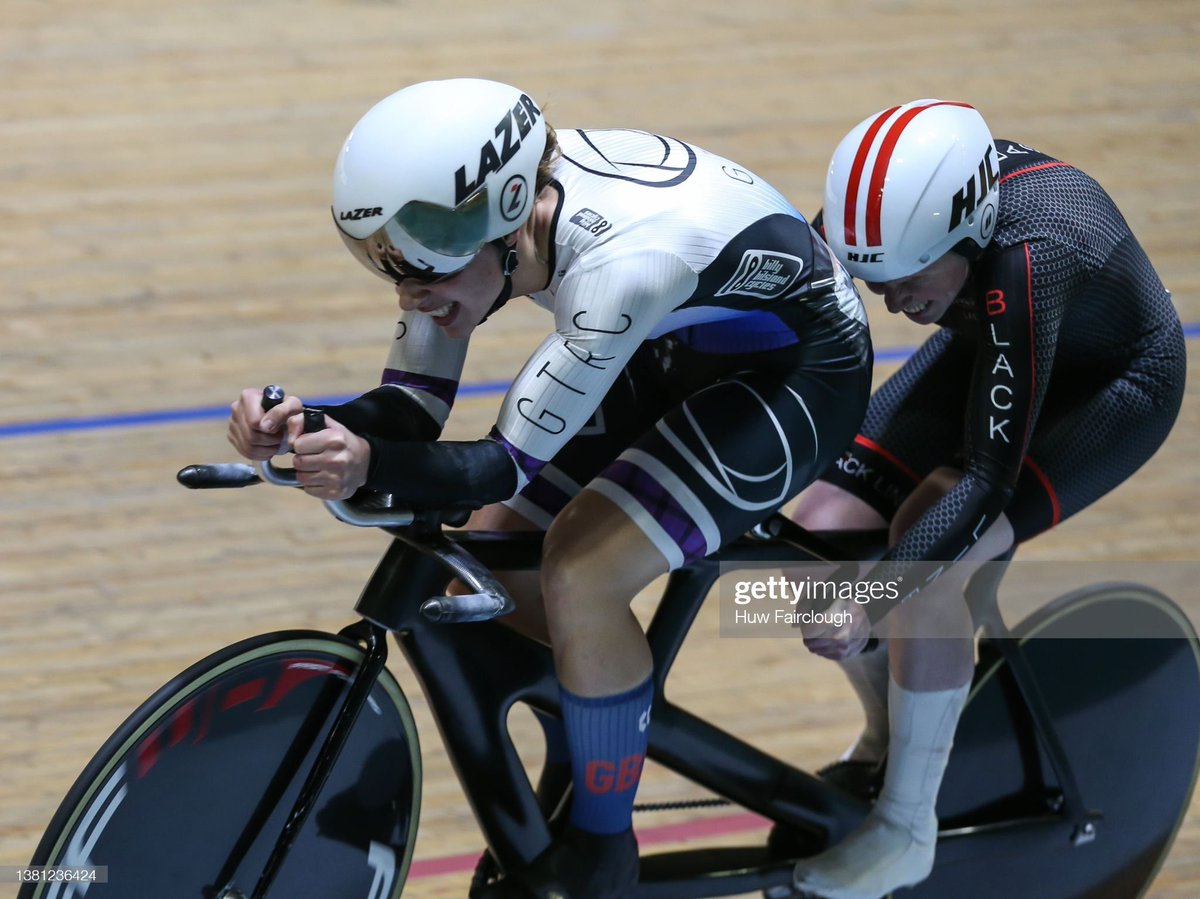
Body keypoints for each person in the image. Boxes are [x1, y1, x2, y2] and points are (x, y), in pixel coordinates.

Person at [225, 78, 874, 898]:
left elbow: (498, 465)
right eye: (382, 255)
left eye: (420, 256)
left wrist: (367, 464)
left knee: (580, 570)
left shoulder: (618, 269)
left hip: (794, 378)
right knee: (490, 555)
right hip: (678, 342)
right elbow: (413, 410)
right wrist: (306, 421)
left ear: (503, 212)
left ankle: (603, 844)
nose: (409, 284)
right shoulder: (461, 237)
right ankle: (593, 717)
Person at [785, 99, 1186, 899]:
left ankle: (907, 829)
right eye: (877, 279)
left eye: (906, 278)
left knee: (931, 552)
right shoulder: (887, 222)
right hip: (994, 333)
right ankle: (893, 732)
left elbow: (983, 478)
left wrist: (877, 596)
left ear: (967, 232)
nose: (892, 299)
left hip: (1112, 385)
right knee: (819, 526)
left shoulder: (1035, 250)